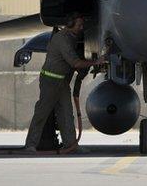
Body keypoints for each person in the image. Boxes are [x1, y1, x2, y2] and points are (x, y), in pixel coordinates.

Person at [23, 12, 100, 153]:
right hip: (50, 80)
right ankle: (30, 145)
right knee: (42, 113)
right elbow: (75, 63)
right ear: (70, 25)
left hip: (62, 82)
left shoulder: (72, 37)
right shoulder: (62, 39)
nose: (82, 28)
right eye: (79, 25)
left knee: (66, 113)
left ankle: (70, 145)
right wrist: (96, 62)